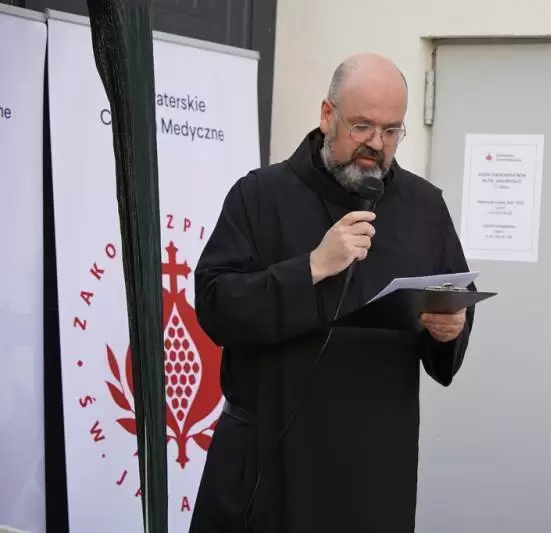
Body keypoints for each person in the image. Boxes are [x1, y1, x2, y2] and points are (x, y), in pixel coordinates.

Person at [188, 53, 476, 533]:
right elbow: (216, 305)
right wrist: (312, 267)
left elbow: (452, 304)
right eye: (362, 126)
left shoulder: (425, 207)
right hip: (271, 465)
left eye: (391, 131)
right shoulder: (259, 196)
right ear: (327, 115)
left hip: (374, 471)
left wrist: (449, 330)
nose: (376, 144)